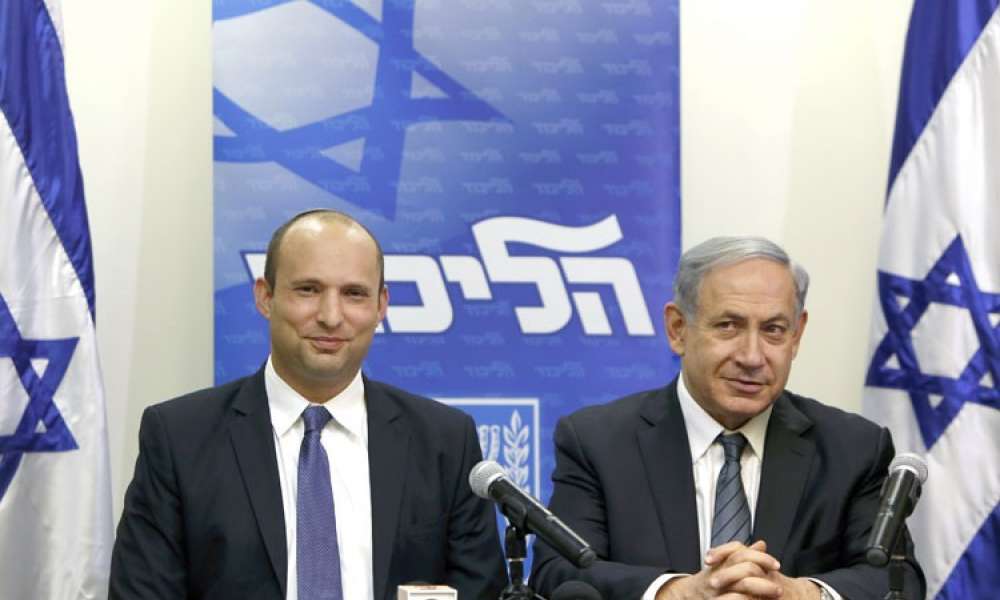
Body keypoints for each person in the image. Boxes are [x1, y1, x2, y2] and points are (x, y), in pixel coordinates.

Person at [110, 210, 507, 600]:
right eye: (308, 290)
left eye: (354, 294)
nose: (331, 316)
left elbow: (481, 591)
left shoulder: (444, 441)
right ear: (265, 297)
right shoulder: (180, 438)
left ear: (381, 305)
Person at [530, 236, 926, 600]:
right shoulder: (598, 442)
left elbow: (899, 580)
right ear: (678, 329)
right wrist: (678, 592)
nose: (752, 356)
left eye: (773, 330)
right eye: (728, 326)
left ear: (797, 335)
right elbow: (558, 572)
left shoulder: (853, 448)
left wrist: (801, 593)